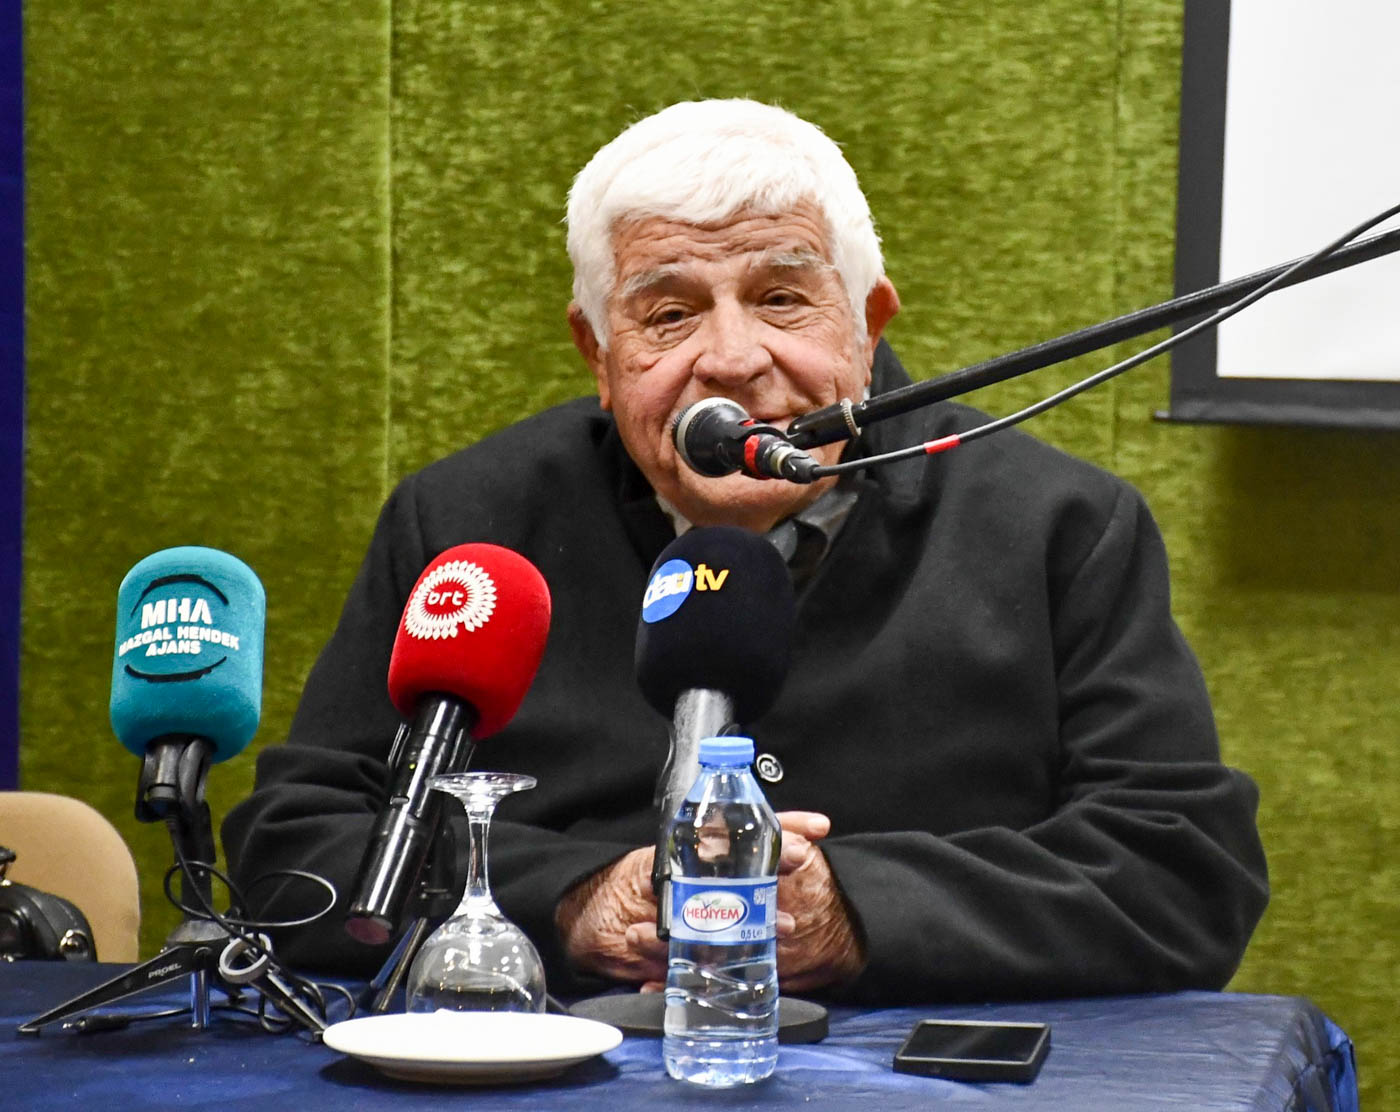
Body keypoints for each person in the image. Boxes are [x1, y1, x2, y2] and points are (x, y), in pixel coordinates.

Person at [222, 99, 1268, 1003]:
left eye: (780, 299)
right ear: (598, 353)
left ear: (867, 323)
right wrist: (571, 900)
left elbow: (1182, 875)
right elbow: (296, 853)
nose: (730, 359)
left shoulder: (1059, 525)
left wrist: (855, 911)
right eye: (669, 314)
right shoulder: (467, 521)